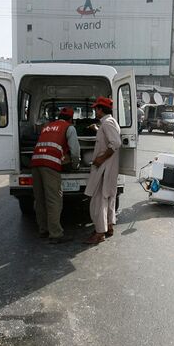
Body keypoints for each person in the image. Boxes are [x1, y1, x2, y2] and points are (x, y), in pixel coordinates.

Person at [31, 106, 80, 244]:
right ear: (71, 119)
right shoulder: (69, 128)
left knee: (40, 198)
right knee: (54, 199)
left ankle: (43, 229)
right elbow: (75, 151)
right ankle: (56, 234)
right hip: (50, 164)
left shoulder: (48, 126)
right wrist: (75, 164)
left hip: (35, 162)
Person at [84, 96, 121, 244]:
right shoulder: (107, 123)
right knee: (108, 198)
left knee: (98, 201)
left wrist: (101, 158)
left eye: (96, 109)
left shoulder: (107, 123)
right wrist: (97, 129)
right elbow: (109, 139)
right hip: (109, 168)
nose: (95, 111)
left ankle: (100, 233)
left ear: (100, 109)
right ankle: (109, 226)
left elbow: (116, 142)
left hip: (104, 168)